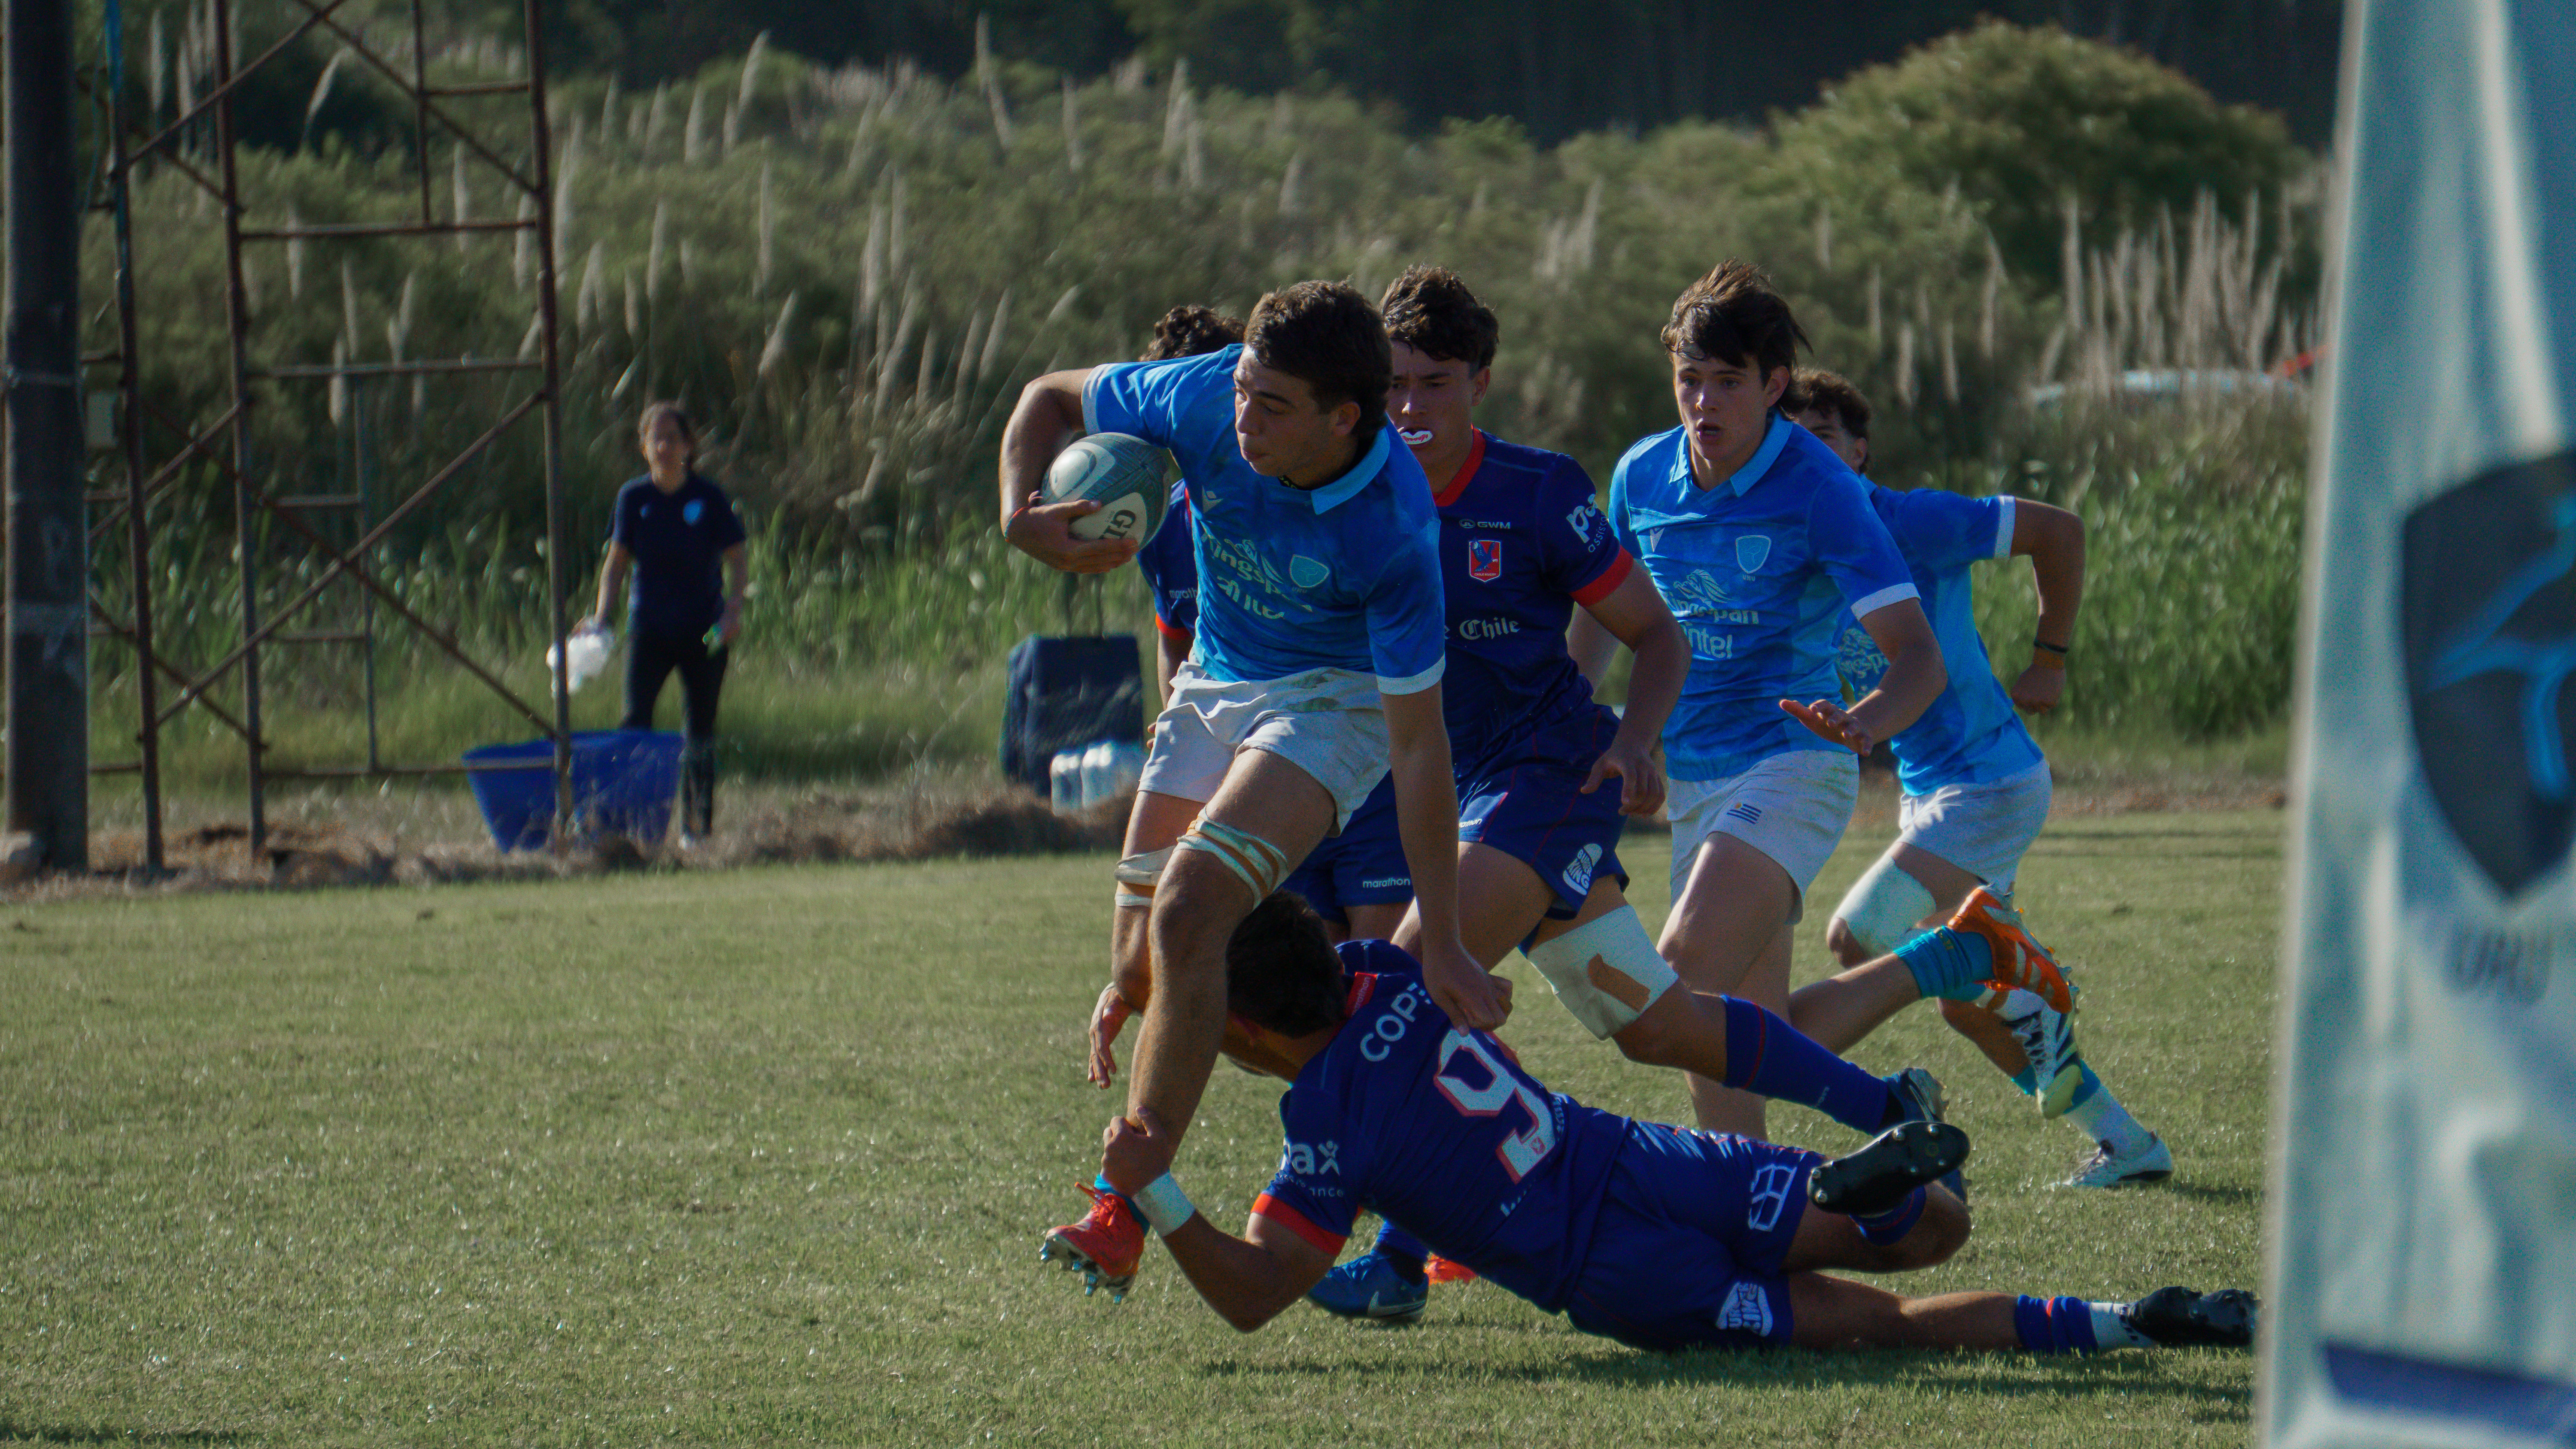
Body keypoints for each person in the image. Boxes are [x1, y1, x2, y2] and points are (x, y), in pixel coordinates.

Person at [1061, 893, 2257, 1356]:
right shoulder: (1381, 970)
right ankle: (1862, 1186)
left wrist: (1156, 1190)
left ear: (1252, 1036)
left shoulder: (1324, 1134)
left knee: (1889, 1325)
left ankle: (2136, 1324)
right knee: (1936, 1222)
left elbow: (1256, 1291)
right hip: (1647, 1157)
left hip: (1623, 1271)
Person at [1001, 280, 1506, 1297]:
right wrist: (1021, 515)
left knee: (1193, 909)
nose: (1241, 421)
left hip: (1337, 702)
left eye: (1271, 406)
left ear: (1343, 418)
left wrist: (1443, 934)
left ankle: (1120, 1209)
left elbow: (1419, 750)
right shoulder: (1203, 398)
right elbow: (1047, 398)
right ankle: (1405, 1121)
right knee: (1149, 973)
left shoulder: (1395, 530)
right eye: (1240, 391)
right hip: (1218, 679)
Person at [1572, 260, 1949, 1140]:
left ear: (1775, 385)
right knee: (1745, 1032)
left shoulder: (1823, 489)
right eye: (1689, 381)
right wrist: (1572, 711)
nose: (1704, 404)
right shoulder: (1640, 477)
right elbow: (1602, 611)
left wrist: (1863, 725)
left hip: (1794, 761)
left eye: (1728, 383)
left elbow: (1919, 661)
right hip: (1695, 775)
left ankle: (1878, 1109)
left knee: (1681, 977)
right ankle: (1756, 1211)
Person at [1786, 369, 2170, 1188]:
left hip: (1989, 781)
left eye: (1820, 436)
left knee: (1857, 936)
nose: (1803, 453)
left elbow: (2060, 531)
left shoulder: (1911, 517)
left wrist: (2050, 661)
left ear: (1860, 449)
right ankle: (2126, 1142)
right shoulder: (1805, 542)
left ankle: (2016, 997)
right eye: (1789, 438)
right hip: (1934, 791)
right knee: (1970, 1002)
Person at [1123, 305, 1415, 949]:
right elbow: (1177, 630)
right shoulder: (1166, 522)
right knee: (1220, 962)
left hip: (1355, 762)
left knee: (1381, 967)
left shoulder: (1383, 509)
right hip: (1260, 765)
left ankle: (1436, 1045)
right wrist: (1178, 713)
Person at [584, 401, 747, 844]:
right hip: (649, 627)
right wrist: (601, 618)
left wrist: (733, 609)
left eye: (672, 438)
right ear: (643, 448)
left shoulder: (708, 498)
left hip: (706, 628)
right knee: (634, 721)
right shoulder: (633, 499)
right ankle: (629, 825)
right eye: (654, 438)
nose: (663, 446)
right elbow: (616, 565)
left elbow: (737, 556)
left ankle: (697, 830)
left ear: (688, 446)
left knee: (699, 729)